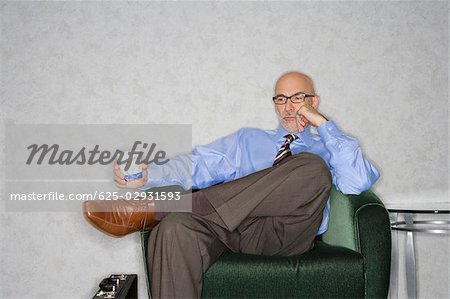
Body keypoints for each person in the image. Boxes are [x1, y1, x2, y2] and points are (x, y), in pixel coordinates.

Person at [83, 71, 379, 298]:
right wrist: (151, 176)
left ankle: (158, 208)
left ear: (313, 102)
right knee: (173, 229)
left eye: (298, 98)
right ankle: (166, 210)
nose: (289, 107)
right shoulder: (248, 140)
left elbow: (357, 182)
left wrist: (323, 125)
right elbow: (199, 164)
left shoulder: (328, 148)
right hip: (230, 226)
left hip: (287, 233)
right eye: (281, 99)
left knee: (312, 170)